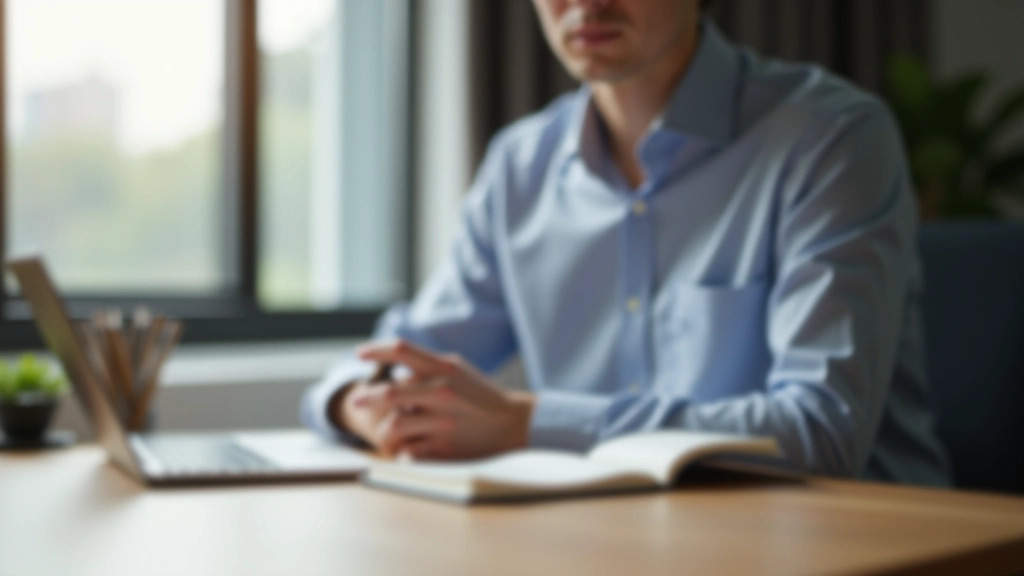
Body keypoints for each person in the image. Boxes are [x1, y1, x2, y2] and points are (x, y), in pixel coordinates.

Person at [302, 0, 950, 485]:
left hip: (854, 541)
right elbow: (400, 354)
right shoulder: (520, 167)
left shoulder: (830, 140)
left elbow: (820, 432)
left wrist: (523, 423)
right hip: (617, 543)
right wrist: (364, 405)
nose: (588, 1)